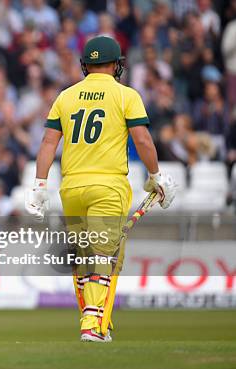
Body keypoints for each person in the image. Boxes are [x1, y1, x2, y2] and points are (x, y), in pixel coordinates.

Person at [25, 36, 177, 342]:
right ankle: (93, 325)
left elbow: (47, 143)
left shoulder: (66, 96)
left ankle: (95, 319)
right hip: (108, 186)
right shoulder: (126, 95)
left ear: (86, 65)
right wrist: (156, 175)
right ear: (116, 65)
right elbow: (143, 140)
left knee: (84, 257)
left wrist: (40, 185)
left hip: (72, 188)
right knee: (102, 257)